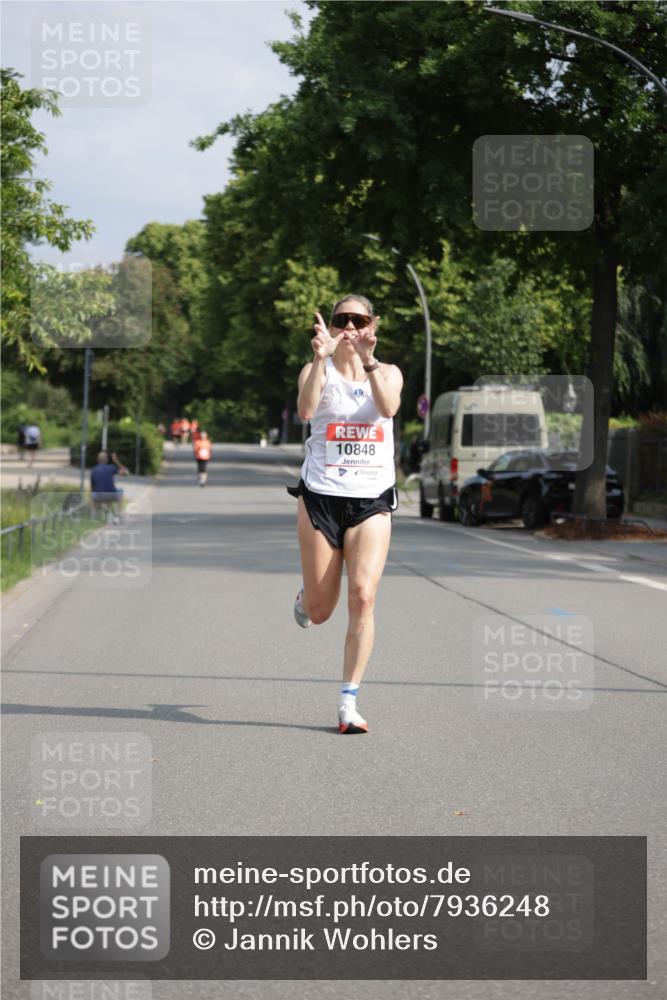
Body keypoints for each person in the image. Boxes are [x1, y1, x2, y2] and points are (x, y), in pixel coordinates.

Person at [287, 295, 403, 734]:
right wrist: (319, 360)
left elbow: (389, 407)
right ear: (332, 325)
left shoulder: (388, 372)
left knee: (363, 595)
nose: (350, 327)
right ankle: (307, 594)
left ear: (372, 324)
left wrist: (370, 362)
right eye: (342, 320)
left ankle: (348, 701)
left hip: (371, 498)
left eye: (359, 319)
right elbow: (306, 410)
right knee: (320, 612)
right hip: (320, 496)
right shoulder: (316, 369)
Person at [90, 450, 128, 522]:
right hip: (112, 495)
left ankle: (93, 516)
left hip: (99, 497)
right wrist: (116, 461)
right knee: (120, 491)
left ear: (97, 460)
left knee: (92, 494)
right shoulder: (111, 468)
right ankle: (118, 514)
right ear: (107, 460)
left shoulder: (93, 470)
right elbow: (126, 473)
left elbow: (92, 488)